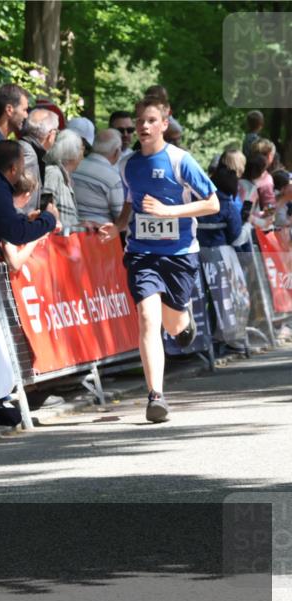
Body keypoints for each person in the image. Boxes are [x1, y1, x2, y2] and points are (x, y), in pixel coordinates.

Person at [97, 95, 219, 423]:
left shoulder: (181, 161)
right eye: (140, 122)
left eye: (151, 120)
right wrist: (118, 227)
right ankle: (156, 396)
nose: (144, 126)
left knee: (174, 324)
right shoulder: (127, 164)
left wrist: (170, 211)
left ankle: (184, 320)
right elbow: (129, 204)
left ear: (164, 124)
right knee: (147, 319)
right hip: (141, 253)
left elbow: (212, 204)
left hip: (179, 254)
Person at [0, 139, 60, 264]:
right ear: (13, 169)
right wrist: (49, 218)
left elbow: (3, 219)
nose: (22, 172)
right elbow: (16, 232)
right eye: (22, 168)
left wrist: (25, 219)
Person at [73, 128, 125, 227]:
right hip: (99, 235)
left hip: (71, 230)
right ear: (117, 151)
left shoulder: (74, 166)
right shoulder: (113, 177)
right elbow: (120, 217)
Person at [17, 108, 59, 212]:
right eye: (56, 132)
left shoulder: (22, 147)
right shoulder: (29, 154)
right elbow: (22, 201)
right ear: (51, 134)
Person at [42, 129, 84, 230]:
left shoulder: (64, 176)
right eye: (82, 149)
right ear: (73, 153)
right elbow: (46, 210)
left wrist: (80, 226)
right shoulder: (53, 173)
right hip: (55, 242)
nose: (83, 156)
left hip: (64, 240)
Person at [1, 172, 44, 271]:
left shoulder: (2, 204)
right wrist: (36, 236)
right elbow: (15, 263)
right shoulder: (9, 215)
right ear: (27, 195)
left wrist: (28, 220)